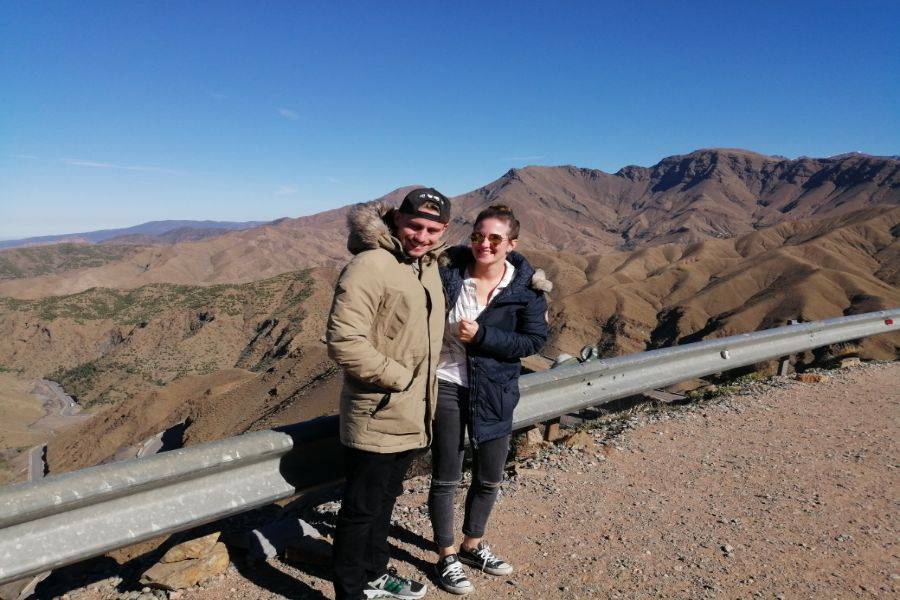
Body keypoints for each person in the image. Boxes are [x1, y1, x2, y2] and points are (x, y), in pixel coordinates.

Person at [327, 188, 451, 600]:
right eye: (415, 226)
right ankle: (350, 592)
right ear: (397, 219)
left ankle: (375, 574)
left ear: (444, 230)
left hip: (413, 412)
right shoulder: (369, 265)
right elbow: (344, 341)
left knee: (384, 500)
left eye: (432, 230)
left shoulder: (426, 267)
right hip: (378, 410)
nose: (422, 236)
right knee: (360, 510)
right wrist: (399, 378)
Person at [428, 204, 551, 595]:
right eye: (478, 236)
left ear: (511, 243)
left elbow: (533, 340)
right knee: (446, 475)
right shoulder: (447, 276)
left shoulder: (525, 291)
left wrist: (482, 336)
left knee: (490, 475)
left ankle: (472, 545)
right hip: (447, 382)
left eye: (495, 238)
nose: (485, 244)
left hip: (496, 390)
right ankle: (446, 556)